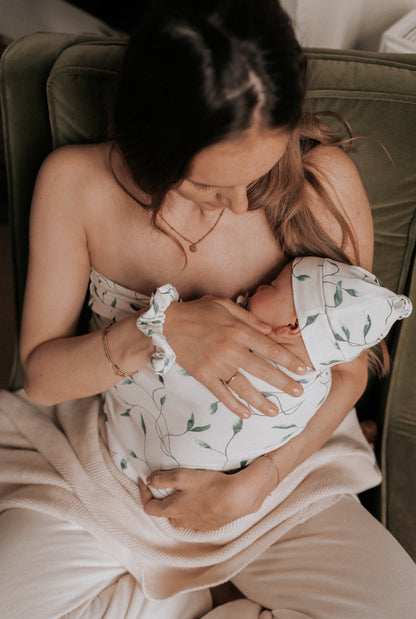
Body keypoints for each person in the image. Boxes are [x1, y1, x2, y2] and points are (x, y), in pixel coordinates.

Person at [1, 1, 415, 617]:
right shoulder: (78, 185)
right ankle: (201, 599)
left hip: (279, 486)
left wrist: (258, 483)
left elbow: (350, 371)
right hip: (113, 482)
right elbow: (42, 376)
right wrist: (158, 331)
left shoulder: (325, 185)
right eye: (205, 184)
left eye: (260, 168)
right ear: (149, 144)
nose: (243, 205)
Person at [104, 256, 411, 498]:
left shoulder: (235, 327)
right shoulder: (319, 385)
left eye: (272, 285)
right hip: (210, 478)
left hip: (137, 464)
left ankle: (361, 435)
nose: (259, 285)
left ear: (293, 325)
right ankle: (362, 435)